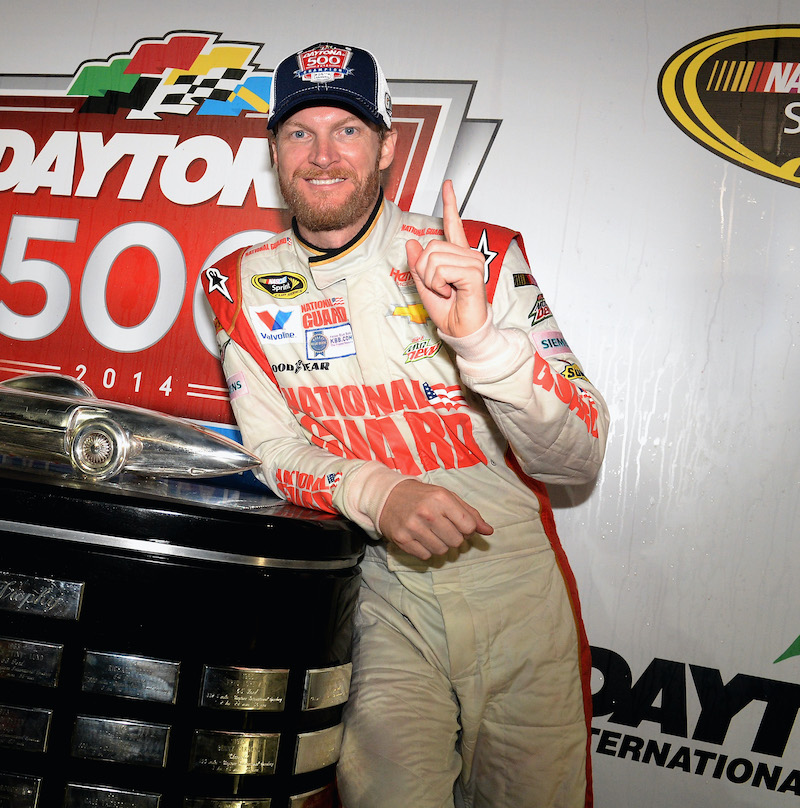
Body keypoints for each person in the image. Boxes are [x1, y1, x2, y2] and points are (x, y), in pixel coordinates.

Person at [204, 42, 608, 807]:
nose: (323, 156)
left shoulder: (476, 254)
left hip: (516, 588)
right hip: (382, 589)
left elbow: (578, 461)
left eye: (348, 130)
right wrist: (378, 493)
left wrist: (480, 344)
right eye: (300, 132)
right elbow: (271, 450)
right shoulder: (239, 285)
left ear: (388, 144)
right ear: (273, 151)